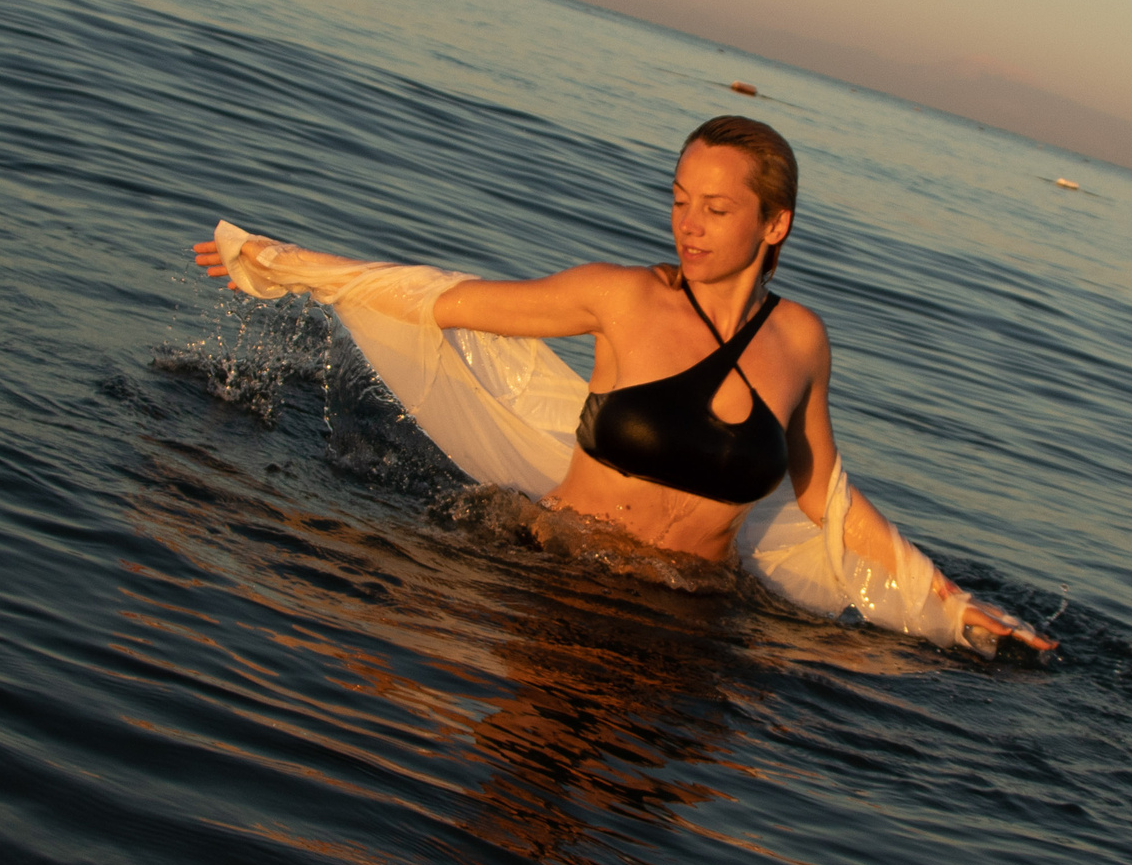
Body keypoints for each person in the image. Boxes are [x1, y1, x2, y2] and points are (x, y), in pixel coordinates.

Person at [193, 116, 1052, 658]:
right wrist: (285, 266)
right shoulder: (621, 298)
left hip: (696, 618)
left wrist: (950, 604)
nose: (688, 224)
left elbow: (826, 495)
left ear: (775, 223)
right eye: (680, 199)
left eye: (716, 209)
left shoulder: (801, 340)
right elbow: (443, 301)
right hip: (553, 571)